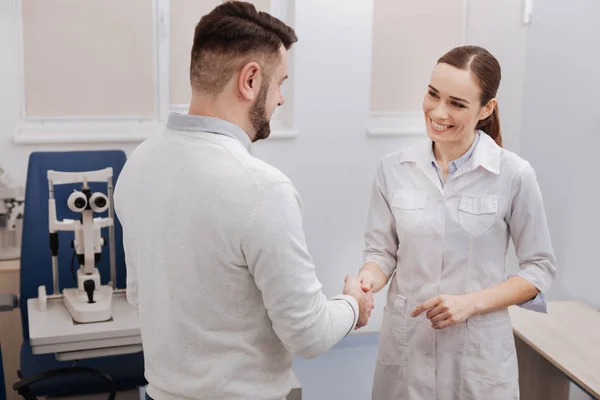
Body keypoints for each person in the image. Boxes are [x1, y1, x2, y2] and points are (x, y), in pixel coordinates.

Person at [113, 2, 373, 399]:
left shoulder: (139, 164)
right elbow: (309, 334)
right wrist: (354, 304)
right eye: (281, 82)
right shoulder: (262, 190)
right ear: (250, 80)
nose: (281, 99)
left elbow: (137, 295)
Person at [357, 45, 556, 399]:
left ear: (486, 108)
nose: (438, 112)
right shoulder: (393, 169)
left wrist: (470, 303)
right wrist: (365, 281)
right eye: (433, 94)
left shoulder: (513, 174)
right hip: (407, 347)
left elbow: (539, 269)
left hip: (477, 358)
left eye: (457, 104)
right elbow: (382, 252)